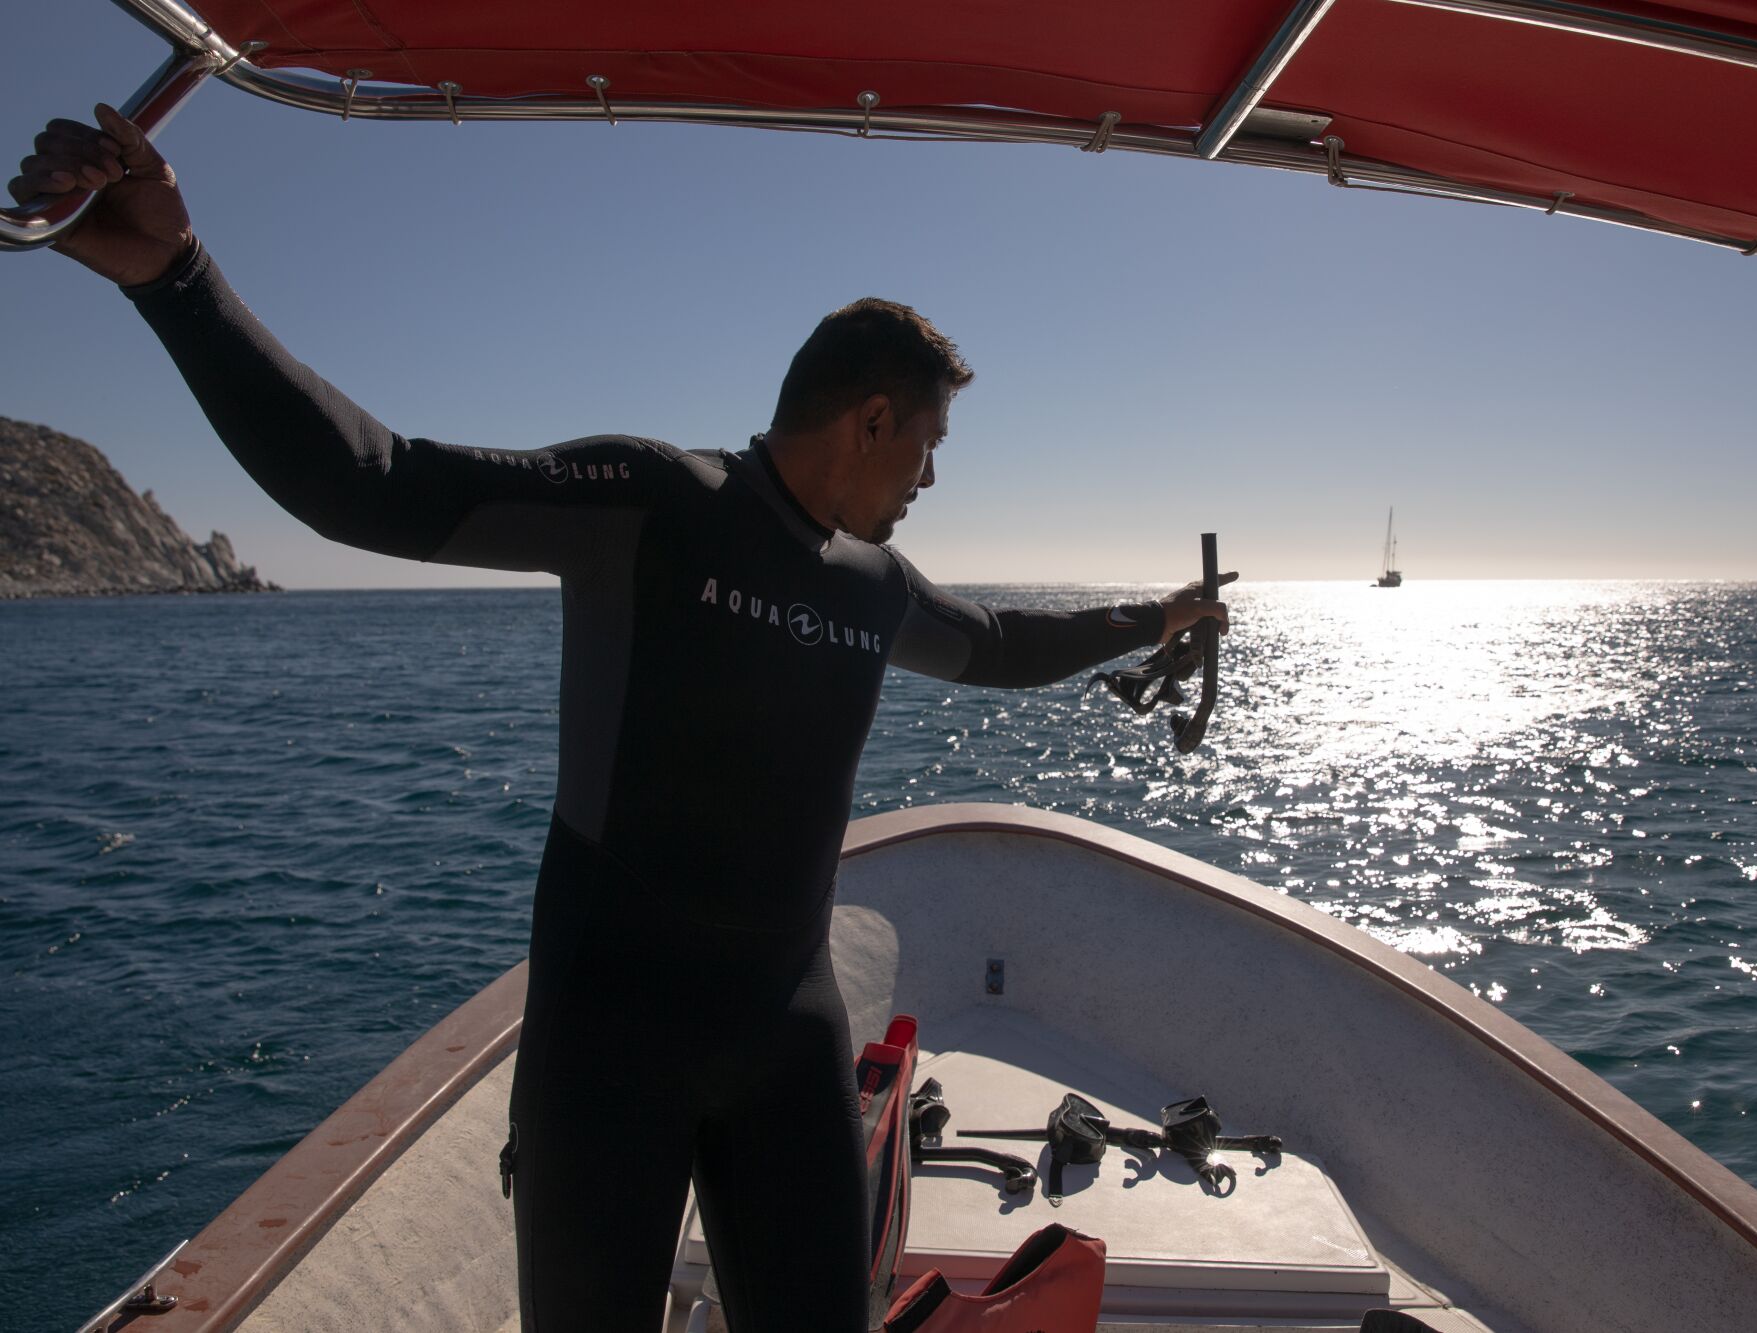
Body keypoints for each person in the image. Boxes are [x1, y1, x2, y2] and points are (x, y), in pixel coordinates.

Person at [11, 105, 1234, 1332]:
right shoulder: (655, 504)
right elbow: (369, 483)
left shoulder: (871, 586)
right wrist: (178, 280)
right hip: (609, 1048)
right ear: (871, 417)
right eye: (926, 444)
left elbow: (1004, 645)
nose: (929, 479)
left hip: (783, 1037)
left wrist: (1153, 617)